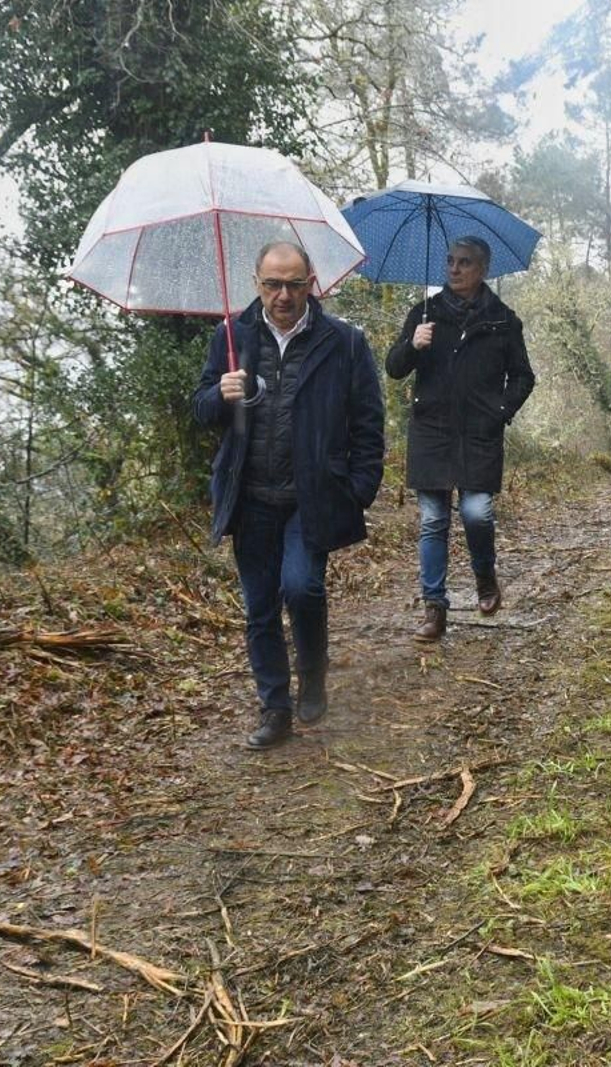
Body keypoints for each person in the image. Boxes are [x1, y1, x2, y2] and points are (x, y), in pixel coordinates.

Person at [192, 240, 385, 749]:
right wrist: (220, 395)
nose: (283, 295)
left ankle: (314, 672)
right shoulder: (231, 336)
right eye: (273, 284)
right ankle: (274, 708)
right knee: (259, 607)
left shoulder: (343, 342)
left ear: (311, 283)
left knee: (302, 588)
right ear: (256, 283)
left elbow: (369, 423)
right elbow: (201, 408)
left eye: (294, 284)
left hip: (312, 496)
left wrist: (359, 490)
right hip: (250, 494)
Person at [385, 236, 536, 642]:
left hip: (479, 433)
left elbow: (524, 377)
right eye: (450, 261)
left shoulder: (504, 320)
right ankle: (435, 607)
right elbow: (394, 367)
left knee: (476, 513)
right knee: (433, 520)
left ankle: (485, 577)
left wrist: (500, 412)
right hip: (431, 430)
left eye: (464, 262)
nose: (454, 269)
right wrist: (413, 346)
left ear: (483, 269)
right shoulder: (425, 313)